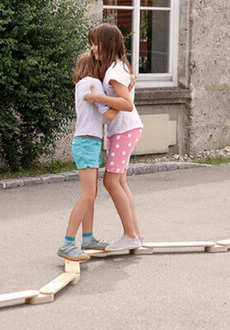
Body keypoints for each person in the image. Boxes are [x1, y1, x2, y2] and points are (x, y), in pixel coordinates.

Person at [84, 23, 144, 252]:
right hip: (124, 129)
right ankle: (135, 234)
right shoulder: (116, 68)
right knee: (119, 182)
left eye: (95, 43)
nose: (92, 48)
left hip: (124, 130)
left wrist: (98, 97)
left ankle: (130, 234)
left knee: (110, 181)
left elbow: (127, 104)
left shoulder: (114, 72)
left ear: (107, 44)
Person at [57, 52, 120, 261]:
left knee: (90, 195)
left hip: (87, 141)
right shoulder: (93, 82)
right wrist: (125, 94)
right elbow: (107, 111)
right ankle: (67, 243)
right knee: (88, 196)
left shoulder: (80, 84)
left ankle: (88, 238)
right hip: (87, 142)